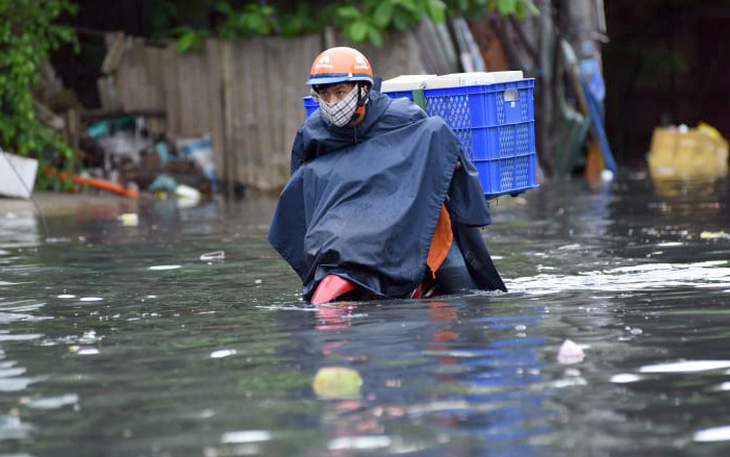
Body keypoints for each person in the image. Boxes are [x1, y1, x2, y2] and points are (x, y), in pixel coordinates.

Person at [268, 46, 506, 303]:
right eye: (324, 94)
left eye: (340, 92)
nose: (333, 103)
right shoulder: (313, 133)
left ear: (363, 89)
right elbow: (304, 189)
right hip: (348, 233)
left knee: (467, 294)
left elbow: (438, 148)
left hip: (411, 222)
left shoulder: (402, 116)